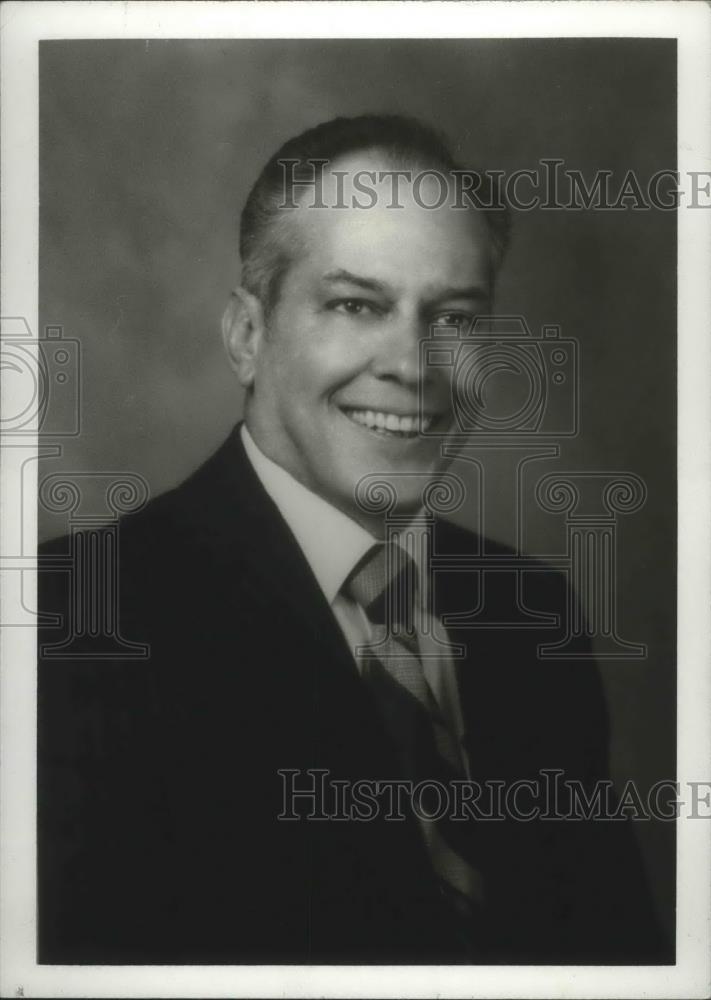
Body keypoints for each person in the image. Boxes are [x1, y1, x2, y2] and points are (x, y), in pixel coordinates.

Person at [37, 114, 666, 964]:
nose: (412, 364)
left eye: (453, 317)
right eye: (356, 305)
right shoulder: (75, 623)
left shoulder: (532, 611)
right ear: (247, 335)